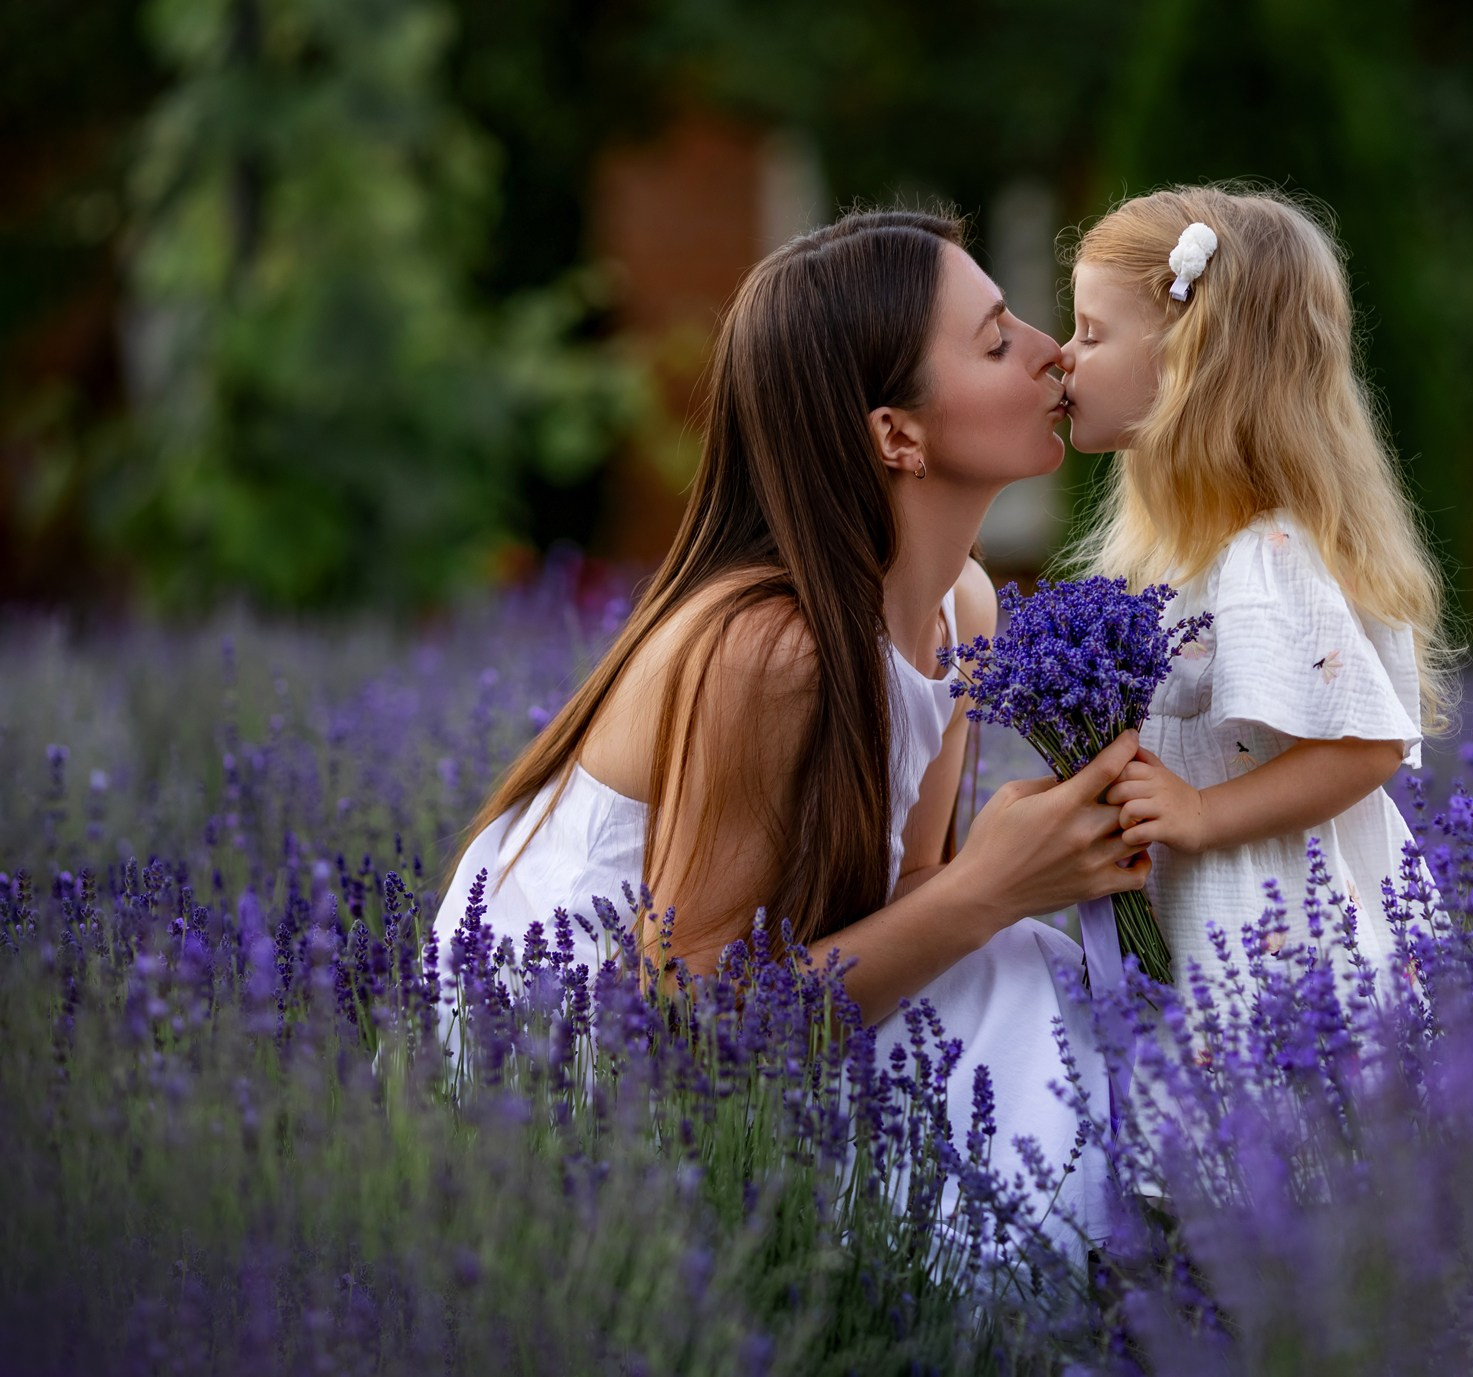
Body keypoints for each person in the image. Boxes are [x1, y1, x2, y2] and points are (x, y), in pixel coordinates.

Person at [434, 209, 1146, 1243]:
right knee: (1026, 986)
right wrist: (993, 885)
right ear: (896, 435)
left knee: (1040, 980)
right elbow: (686, 1029)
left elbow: (897, 904)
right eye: (997, 341)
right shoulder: (772, 652)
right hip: (566, 1068)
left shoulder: (962, 607)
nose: (1051, 355)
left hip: (761, 1018)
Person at [1059, 185, 1453, 986]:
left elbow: (1367, 745)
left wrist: (1203, 813)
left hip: (1266, 930)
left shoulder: (1265, 555)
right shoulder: (1190, 555)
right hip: (1200, 904)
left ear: (1187, 361)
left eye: (1091, 334)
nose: (1063, 355)